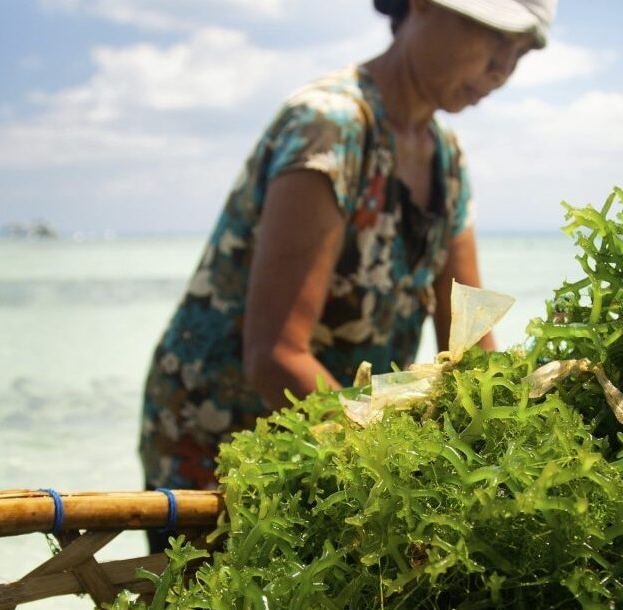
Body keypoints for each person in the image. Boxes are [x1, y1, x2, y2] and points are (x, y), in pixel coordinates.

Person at [139, 0, 556, 552]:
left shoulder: (446, 158)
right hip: (226, 431)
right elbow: (276, 356)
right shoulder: (331, 126)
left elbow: (471, 342)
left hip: (343, 436)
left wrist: (505, 446)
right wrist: (402, 467)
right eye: (491, 36)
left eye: (520, 51)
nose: (503, 68)